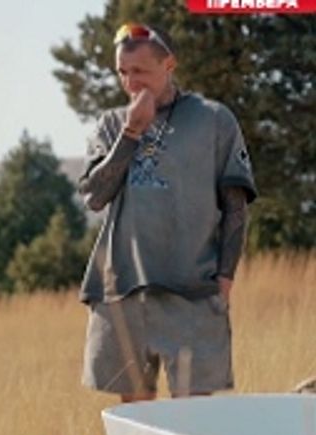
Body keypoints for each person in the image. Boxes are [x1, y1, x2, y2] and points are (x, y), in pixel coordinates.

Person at [78, 23, 257, 403]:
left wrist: (225, 277)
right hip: (123, 293)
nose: (130, 83)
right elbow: (95, 197)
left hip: (193, 294)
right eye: (122, 72)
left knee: (192, 422)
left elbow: (235, 205)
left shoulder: (214, 120)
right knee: (136, 422)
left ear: (169, 65)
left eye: (140, 71)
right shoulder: (111, 125)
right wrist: (131, 133)